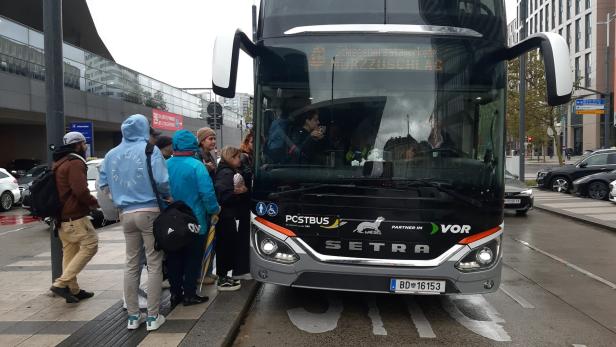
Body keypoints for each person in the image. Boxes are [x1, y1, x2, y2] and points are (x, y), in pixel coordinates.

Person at [99, 114, 171, 331]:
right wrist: (167, 196)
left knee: (131, 263)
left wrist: (119, 198)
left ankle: (132, 316)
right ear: (144, 129)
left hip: (126, 214)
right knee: (154, 262)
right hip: (149, 211)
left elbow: (103, 184)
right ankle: (152, 316)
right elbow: (163, 182)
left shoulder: (111, 154)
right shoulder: (150, 150)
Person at [166, 130, 221, 306]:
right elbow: (207, 193)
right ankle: (189, 294)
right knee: (192, 258)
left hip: (171, 220)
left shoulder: (165, 165)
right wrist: (214, 210)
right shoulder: (197, 166)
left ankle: (175, 293)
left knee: (173, 258)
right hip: (195, 221)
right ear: (193, 144)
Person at [49, 132, 99, 303]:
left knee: (70, 253)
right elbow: (80, 190)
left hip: (62, 217)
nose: (85, 146)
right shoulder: (75, 162)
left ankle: (73, 290)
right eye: (84, 143)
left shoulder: (59, 162)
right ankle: (61, 284)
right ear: (78, 144)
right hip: (75, 216)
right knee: (91, 245)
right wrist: (94, 203)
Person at [214, 146, 247, 291]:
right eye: (237, 157)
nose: (239, 160)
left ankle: (224, 276)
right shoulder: (226, 173)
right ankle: (222, 278)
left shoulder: (226, 171)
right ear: (231, 157)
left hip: (226, 215)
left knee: (226, 246)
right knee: (225, 246)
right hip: (226, 216)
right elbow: (223, 195)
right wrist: (239, 192)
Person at [235, 131, 254, 279]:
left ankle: (244, 267)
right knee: (243, 236)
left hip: (248, 201)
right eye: (252, 142)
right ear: (247, 142)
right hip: (244, 203)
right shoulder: (243, 157)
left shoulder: (252, 157)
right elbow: (244, 176)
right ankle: (240, 270)